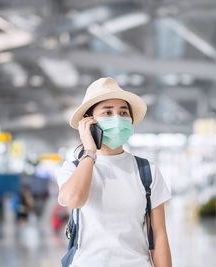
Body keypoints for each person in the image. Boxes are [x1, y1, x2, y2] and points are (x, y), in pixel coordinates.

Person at [56, 77, 172, 267]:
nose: (117, 119)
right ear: (89, 121)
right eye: (107, 112)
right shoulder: (74, 168)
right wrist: (90, 152)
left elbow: (159, 237)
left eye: (123, 112)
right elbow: (74, 199)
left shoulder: (147, 171)